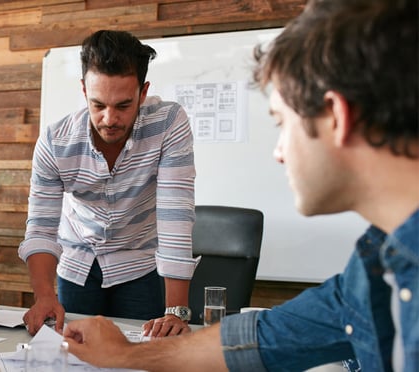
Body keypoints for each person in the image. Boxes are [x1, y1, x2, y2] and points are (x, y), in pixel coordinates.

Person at [62, 0, 418, 371]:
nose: (279, 152)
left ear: (336, 117)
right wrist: (127, 355)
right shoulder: (376, 264)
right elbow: (266, 337)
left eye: (282, 122)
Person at [19, 29, 197, 338]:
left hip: (139, 265)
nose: (109, 118)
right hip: (78, 266)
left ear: (143, 93)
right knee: (77, 356)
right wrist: (44, 296)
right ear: (84, 91)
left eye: (123, 106)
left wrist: (176, 311)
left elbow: (175, 217)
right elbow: (41, 227)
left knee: (143, 355)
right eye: (99, 104)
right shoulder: (54, 142)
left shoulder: (168, 123)